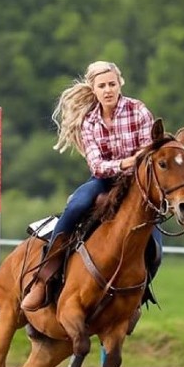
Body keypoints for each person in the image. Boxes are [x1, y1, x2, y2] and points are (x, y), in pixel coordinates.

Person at [21, 61, 163, 312]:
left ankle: (138, 296)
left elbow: (148, 149)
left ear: (120, 84)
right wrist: (126, 163)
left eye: (112, 84)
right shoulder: (89, 122)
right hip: (104, 179)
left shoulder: (138, 110)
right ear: (93, 90)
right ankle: (44, 279)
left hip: (138, 183)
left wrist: (133, 165)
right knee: (76, 205)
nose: (108, 90)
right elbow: (97, 166)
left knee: (154, 242)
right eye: (102, 86)